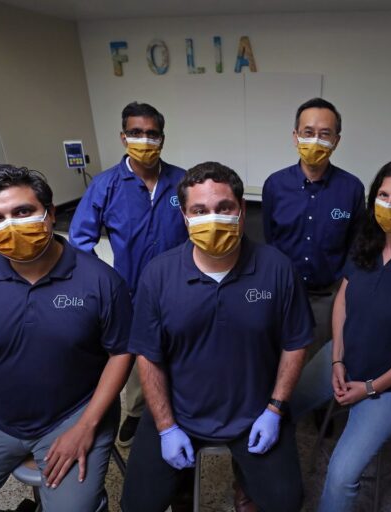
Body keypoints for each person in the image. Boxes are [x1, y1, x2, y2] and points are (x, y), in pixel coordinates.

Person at [0, 164, 133, 512]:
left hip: (74, 414)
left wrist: (87, 426)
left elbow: (121, 353)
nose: (11, 226)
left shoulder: (100, 281)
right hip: (0, 418)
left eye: (23, 212)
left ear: (48, 214)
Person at [121, 162, 314, 512]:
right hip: (178, 412)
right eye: (200, 210)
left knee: (286, 503)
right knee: (137, 505)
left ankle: (246, 483)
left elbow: (295, 342)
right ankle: (181, 487)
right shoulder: (159, 274)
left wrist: (275, 409)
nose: (213, 218)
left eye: (224, 208)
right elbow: (148, 355)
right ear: (185, 216)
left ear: (241, 210)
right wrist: (165, 427)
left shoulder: (276, 268)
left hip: (255, 413)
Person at [289, 159, 391, 511]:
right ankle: (276, 488)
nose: (390, 205)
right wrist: (336, 358)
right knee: (280, 407)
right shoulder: (366, 242)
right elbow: (343, 299)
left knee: (342, 473)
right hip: (344, 357)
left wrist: (371, 386)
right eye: (384, 195)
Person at [69, 101, 187, 447]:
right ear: (123, 137)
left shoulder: (181, 180)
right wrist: (108, 286)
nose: (145, 140)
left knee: (183, 349)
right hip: (132, 293)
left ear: (162, 139)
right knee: (140, 358)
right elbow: (79, 242)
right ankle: (137, 413)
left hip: (181, 288)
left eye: (152, 134)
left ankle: (182, 408)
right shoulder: (106, 185)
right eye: (137, 133)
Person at [262, 97, 365, 352]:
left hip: (328, 298)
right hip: (282, 293)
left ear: (336, 140)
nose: (315, 140)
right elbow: (269, 239)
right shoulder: (275, 185)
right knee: (276, 357)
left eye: (325, 134)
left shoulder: (352, 188)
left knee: (317, 370)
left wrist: (343, 289)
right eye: (308, 132)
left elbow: (356, 245)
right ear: (296, 136)